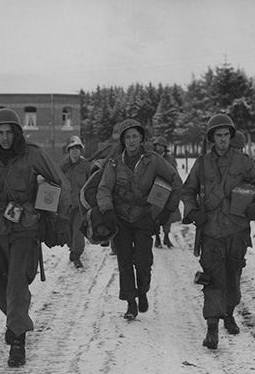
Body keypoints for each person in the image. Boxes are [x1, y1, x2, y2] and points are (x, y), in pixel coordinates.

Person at [0, 108, 71, 367]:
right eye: (0, 133)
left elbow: (59, 183)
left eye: (10, 132)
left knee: (16, 285)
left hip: (26, 228)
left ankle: (18, 340)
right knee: (0, 288)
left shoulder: (33, 154)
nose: (5, 138)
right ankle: (14, 318)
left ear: (17, 133)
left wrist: (57, 217)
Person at [181, 113, 255, 350]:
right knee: (212, 278)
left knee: (233, 276)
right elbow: (187, 191)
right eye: (218, 135)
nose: (222, 139)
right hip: (210, 230)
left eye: (226, 135)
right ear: (212, 138)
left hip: (237, 230)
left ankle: (229, 313)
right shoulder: (201, 164)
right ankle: (212, 327)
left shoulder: (243, 162)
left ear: (231, 136)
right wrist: (192, 212)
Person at [97, 119, 182, 320]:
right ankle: (130, 302)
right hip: (121, 219)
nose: (132, 140)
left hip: (145, 218)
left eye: (135, 136)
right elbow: (103, 188)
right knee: (124, 261)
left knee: (143, 262)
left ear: (141, 138)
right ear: (122, 140)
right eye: (128, 137)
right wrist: (107, 210)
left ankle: (142, 290)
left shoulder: (152, 160)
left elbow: (175, 180)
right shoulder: (114, 163)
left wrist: (167, 209)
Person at [59, 135, 92, 268]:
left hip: (80, 206)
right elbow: (56, 181)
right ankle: (72, 248)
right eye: (72, 149)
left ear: (81, 150)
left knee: (78, 232)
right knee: (68, 233)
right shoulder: (63, 166)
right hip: (66, 205)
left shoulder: (85, 165)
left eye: (77, 149)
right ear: (68, 150)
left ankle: (76, 255)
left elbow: (91, 183)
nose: (75, 151)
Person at [152, 136, 181, 248]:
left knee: (168, 215)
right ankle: (157, 238)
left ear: (165, 147)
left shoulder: (170, 158)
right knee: (155, 216)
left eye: (161, 146)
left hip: (168, 188)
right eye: (157, 145)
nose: (159, 148)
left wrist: (176, 185)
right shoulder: (151, 158)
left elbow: (175, 173)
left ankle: (166, 237)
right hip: (155, 190)